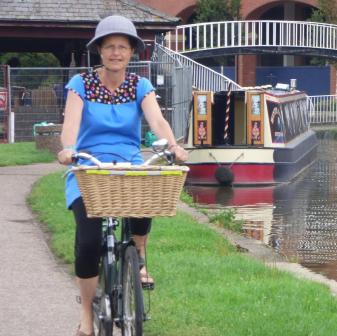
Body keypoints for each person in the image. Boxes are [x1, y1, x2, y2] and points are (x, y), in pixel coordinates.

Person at [57, 15, 188, 336]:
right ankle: (87, 314)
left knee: (146, 200)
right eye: (110, 47)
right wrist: (68, 149)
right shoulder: (81, 85)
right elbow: (70, 127)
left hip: (128, 164)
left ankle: (138, 253)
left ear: (132, 53)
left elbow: (156, 121)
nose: (116, 53)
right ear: (99, 51)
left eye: (122, 47)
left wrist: (173, 145)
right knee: (87, 244)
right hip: (88, 166)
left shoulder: (140, 86)